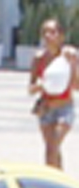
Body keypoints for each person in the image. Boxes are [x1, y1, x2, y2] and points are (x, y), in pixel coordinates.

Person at [29, 17, 79, 169]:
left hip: (64, 108)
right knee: (52, 152)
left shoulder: (69, 56)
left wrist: (73, 66)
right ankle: (58, 184)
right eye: (45, 32)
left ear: (61, 36)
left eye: (52, 32)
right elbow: (31, 88)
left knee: (52, 148)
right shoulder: (39, 58)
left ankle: (56, 186)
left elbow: (76, 86)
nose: (48, 36)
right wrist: (39, 86)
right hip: (46, 108)